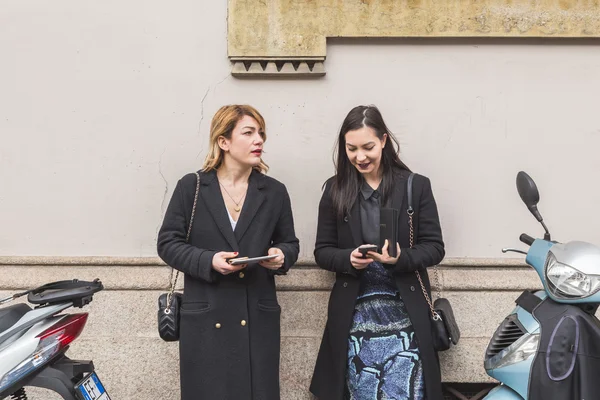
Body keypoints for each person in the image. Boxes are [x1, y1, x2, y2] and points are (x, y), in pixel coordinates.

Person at [157, 104, 299, 400]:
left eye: (260, 133)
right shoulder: (192, 187)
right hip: (207, 317)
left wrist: (281, 256)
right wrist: (208, 261)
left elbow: (290, 243)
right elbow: (168, 243)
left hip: (256, 318)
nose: (259, 139)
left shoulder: (274, 191)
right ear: (223, 141)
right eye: (248, 132)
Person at [309, 105, 445, 400]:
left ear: (384, 140)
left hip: (406, 312)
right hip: (356, 315)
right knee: (363, 391)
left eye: (368, 147)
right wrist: (348, 259)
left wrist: (401, 259)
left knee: (408, 390)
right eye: (351, 148)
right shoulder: (335, 190)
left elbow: (435, 247)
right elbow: (322, 251)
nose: (360, 157)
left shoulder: (414, 186)